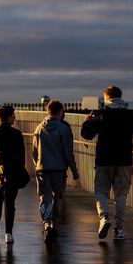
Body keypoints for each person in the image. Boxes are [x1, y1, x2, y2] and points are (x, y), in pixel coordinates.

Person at [81, 85, 133, 240]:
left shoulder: (100, 114)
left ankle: (104, 218)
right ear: (120, 96)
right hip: (124, 160)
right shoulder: (129, 115)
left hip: (104, 159)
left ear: (107, 97)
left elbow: (86, 135)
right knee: (121, 194)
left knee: (100, 191)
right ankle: (118, 230)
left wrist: (87, 121)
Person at [32, 100, 79, 243]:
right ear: (61, 112)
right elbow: (68, 153)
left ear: (48, 111)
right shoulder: (64, 129)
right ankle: (54, 224)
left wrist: (38, 164)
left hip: (42, 168)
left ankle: (46, 224)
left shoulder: (39, 128)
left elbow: (34, 152)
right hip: (58, 169)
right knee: (57, 196)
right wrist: (74, 171)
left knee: (45, 197)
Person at [0, 105, 25, 244]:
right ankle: (8, 233)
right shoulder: (17, 134)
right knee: (10, 202)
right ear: (9, 117)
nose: (15, 117)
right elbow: (21, 157)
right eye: (13, 115)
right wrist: (20, 171)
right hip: (13, 171)